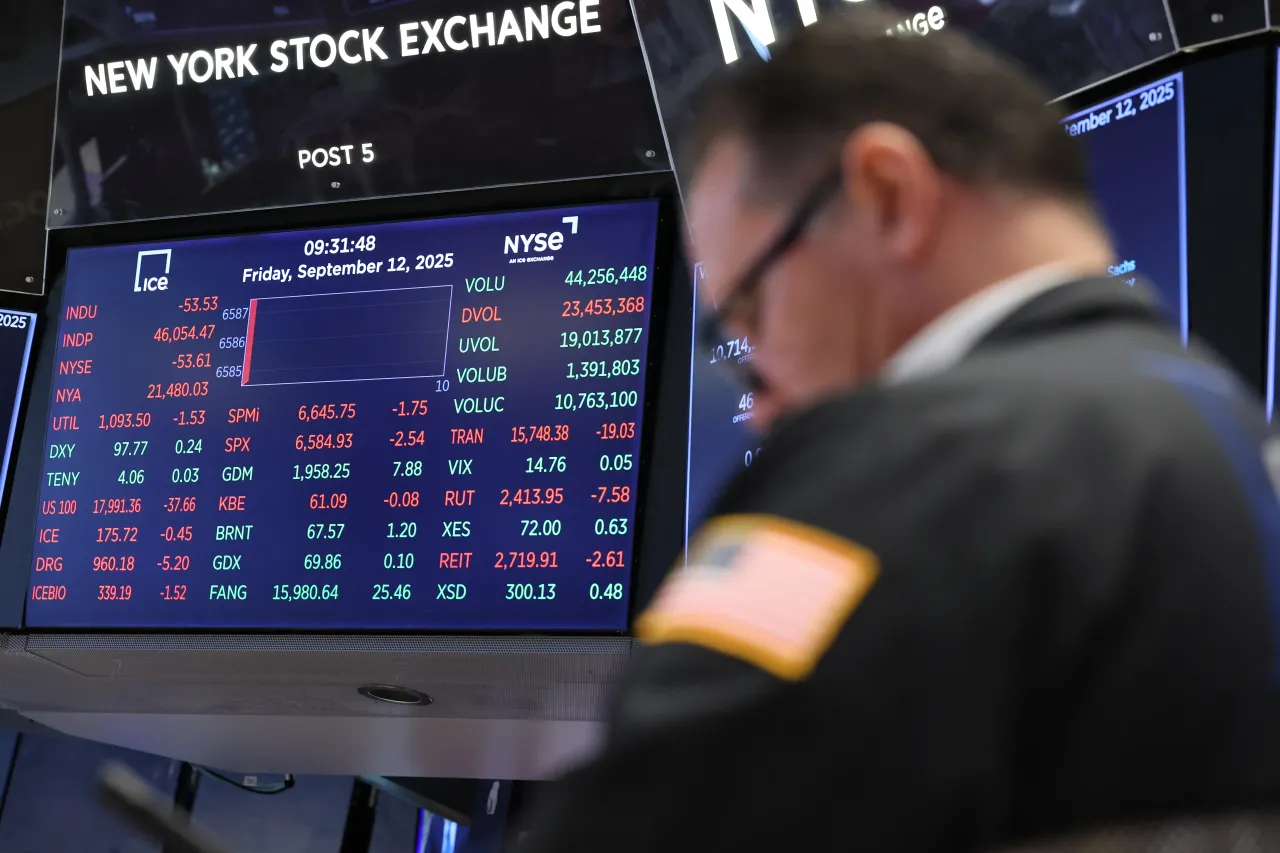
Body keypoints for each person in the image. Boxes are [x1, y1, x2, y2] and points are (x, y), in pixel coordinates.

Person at [518, 10, 1280, 852]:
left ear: (886, 192)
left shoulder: (907, 464)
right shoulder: (1239, 441)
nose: (762, 399)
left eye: (749, 311)